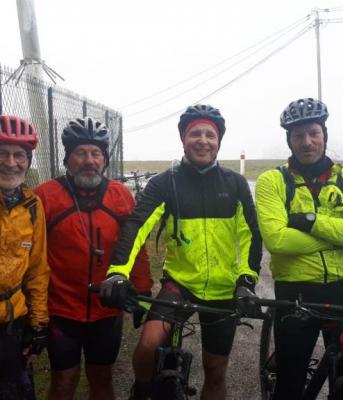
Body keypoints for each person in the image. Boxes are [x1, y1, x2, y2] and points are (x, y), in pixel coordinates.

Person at [99, 104, 263, 400]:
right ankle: (142, 392)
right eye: (195, 133)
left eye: (210, 135)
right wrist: (118, 272)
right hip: (180, 283)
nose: (203, 140)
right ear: (183, 139)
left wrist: (246, 280)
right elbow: (137, 226)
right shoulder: (165, 182)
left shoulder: (235, 183)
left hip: (224, 289)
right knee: (148, 345)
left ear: (219, 141)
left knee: (215, 371)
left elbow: (250, 234)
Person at [255, 97, 343, 400]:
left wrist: (310, 222)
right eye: (299, 135)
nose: (307, 142)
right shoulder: (272, 181)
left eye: (313, 133)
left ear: (324, 135)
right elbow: (277, 240)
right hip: (295, 292)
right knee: (290, 385)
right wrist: (340, 236)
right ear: (289, 140)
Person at [35, 117, 153, 400]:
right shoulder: (46, 196)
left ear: (104, 159)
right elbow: (32, 255)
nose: (89, 160)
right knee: (64, 381)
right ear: (67, 158)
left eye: (96, 153)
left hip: (107, 310)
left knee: (102, 379)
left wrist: (143, 291)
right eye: (80, 153)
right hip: (62, 311)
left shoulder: (120, 195)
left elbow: (136, 247)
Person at [0, 115, 49, 399]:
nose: (10, 162)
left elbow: (37, 268)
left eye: (19, 155)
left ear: (28, 161)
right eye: (2, 153)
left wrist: (38, 323)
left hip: (13, 323)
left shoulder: (32, 205)